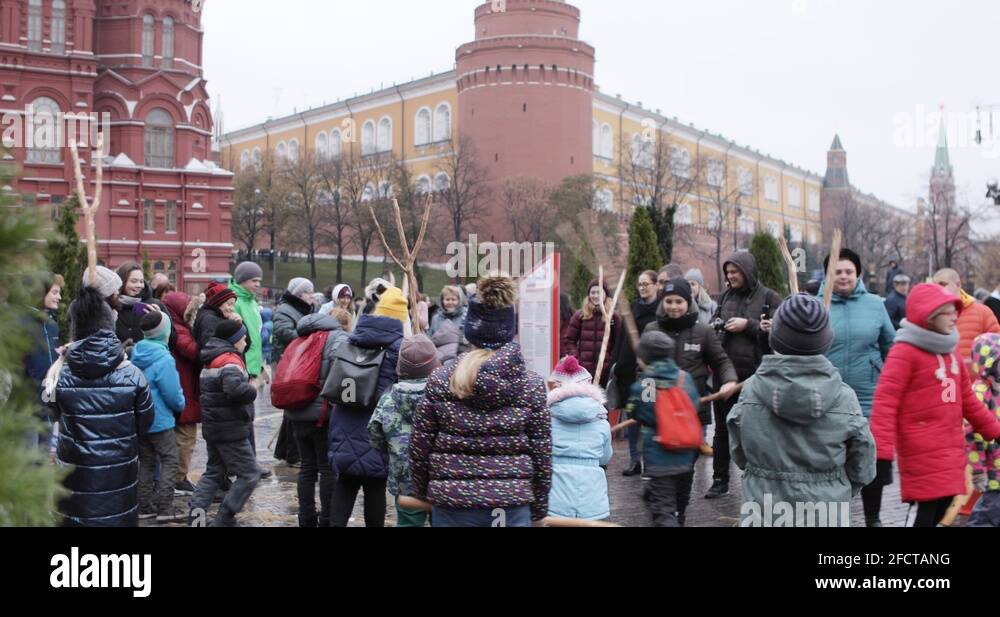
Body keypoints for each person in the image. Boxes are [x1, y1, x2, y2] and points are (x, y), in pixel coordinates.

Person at [410, 275, 552, 527]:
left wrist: (425, 493)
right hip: (511, 505)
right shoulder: (531, 385)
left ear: (471, 330)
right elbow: (541, 452)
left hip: (452, 505)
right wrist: (538, 507)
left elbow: (420, 446)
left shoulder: (441, 379)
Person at [728, 294, 876, 527]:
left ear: (775, 339)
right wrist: (840, 488)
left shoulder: (751, 391)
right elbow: (863, 461)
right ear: (825, 341)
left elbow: (739, 451)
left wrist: (761, 474)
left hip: (764, 513)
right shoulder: (844, 397)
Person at [871, 284, 1000, 527]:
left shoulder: (950, 353)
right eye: (948, 312)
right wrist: (882, 455)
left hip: (950, 449)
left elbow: (969, 402)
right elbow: (885, 403)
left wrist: (995, 431)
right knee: (924, 511)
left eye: (955, 311)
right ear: (928, 315)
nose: (955, 317)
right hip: (921, 450)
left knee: (943, 505)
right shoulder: (905, 352)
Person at [46, 275, 154, 526]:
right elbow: (145, 422)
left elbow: (50, 409)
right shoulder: (133, 375)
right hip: (119, 477)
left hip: (74, 476)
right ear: (108, 325)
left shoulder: (59, 372)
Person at [818, 248, 895, 527]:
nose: (843, 276)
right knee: (830, 462)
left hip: (868, 398)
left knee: (870, 459)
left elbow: (891, 347)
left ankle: (872, 517)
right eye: (837, 272)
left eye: (848, 271)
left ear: (858, 273)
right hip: (829, 398)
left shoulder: (875, 304)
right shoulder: (817, 305)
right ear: (828, 276)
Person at [327, 287, 408, 527]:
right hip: (377, 429)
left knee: (346, 482)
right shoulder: (399, 350)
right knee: (375, 486)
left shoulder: (354, 338)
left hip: (344, 420)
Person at [707, 252, 783, 498]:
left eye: (735, 271)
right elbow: (713, 322)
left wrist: (748, 326)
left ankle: (755, 480)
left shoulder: (770, 297)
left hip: (755, 377)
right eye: (727, 272)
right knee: (721, 430)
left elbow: (782, 334)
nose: (730, 276)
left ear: (747, 271)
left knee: (753, 430)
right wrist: (717, 327)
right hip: (724, 374)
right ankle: (719, 480)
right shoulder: (725, 296)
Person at [644, 278, 739, 460]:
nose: (674, 307)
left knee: (687, 468)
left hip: (692, 410)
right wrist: (647, 400)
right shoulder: (651, 330)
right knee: (662, 470)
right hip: (661, 412)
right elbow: (642, 370)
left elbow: (721, 361)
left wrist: (730, 381)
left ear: (688, 302)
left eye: (679, 301)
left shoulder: (703, 331)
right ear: (662, 302)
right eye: (669, 301)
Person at [281, 311, 350, 527]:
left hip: (296, 412)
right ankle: (327, 519)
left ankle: (306, 517)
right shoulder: (337, 338)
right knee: (326, 468)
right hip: (322, 415)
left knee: (307, 468)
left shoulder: (299, 338)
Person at [626, 331, 701, 527]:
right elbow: (694, 405)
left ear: (644, 356)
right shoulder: (683, 377)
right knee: (679, 501)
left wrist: (632, 407)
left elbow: (644, 413)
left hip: (660, 455)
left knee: (663, 511)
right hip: (687, 453)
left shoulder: (648, 382)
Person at [189, 320, 260, 527]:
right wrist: (252, 388)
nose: (245, 340)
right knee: (250, 474)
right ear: (234, 340)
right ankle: (224, 519)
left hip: (215, 427)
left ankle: (196, 521)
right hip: (230, 429)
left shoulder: (212, 358)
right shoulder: (230, 361)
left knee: (214, 473)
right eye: (243, 337)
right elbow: (235, 390)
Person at [368, 335, 441, 528]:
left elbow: (375, 438)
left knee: (408, 523)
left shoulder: (387, 400)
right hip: (440, 480)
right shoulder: (445, 398)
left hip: (404, 481)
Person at [131, 311, 186, 523]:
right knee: (170, 460)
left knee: (145, 461)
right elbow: (172, 394)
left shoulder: (136, 352)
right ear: (165, 331)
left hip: (141, 419)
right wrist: (181, 404)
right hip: (161, 420)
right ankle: (165, 507)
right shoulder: (164, 358)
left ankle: (145, 506)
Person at [546, 356, 612, 521]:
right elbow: (605, 457)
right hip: (592, 495)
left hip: (556, 495)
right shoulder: (601, 421)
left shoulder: (547, 420)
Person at [612, 270, 661, 475]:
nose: (642, 288)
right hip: (631, 372)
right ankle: (634, 459)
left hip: (649, 373)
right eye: (639, 284)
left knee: (648, 416)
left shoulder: (661, 310)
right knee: (632, 414)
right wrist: (617, 363)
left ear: (656, 285)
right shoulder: (632, 308)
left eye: (646, 284)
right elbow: (623, 338)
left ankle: (650, 461)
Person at [272, 277, 316, 467]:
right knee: (293, 409)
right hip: (288, 364)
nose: (312, 296)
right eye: (308, 292)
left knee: (292, 411)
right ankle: (292, 454)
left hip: (298, 363)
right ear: (298, 294)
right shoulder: (284, 311)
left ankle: (285, 451)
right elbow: (285, 333)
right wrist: (311, 337)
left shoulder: (303, 309)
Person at [161, 291, 202, 495]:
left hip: (184, 387)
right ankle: (178, 478)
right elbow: (195, 351)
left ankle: (179, 476)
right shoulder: (178, 329)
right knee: (185, 437)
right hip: (184, 388)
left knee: (183, 436)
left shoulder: (175, 327)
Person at [24, 273, 62, 450]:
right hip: (27, 407)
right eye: (54, 292)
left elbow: (50, 364)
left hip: (47, 402)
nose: (59, 297)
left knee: (43, 455)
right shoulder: (24, 323)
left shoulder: (51, 324)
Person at [932, 268, 1000, 370]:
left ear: (958, 284)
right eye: (935, 286)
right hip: (945, 381)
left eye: (943, 284)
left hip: (977, 382)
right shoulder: (932, 316)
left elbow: (997, 348)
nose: (939, 289)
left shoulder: (983, 313)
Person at [967, 333, 1000, 527]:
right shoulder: (980, 392)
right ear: (988, 364)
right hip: (993, 468)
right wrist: (978, 470)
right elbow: (972, 435)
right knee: (988, 513)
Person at [562, 278, 621, 387]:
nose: (595, 295)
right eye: (592, 292)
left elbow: (618, 342)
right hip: (583, 372)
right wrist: (576, 359)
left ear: (605, 294)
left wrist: (611, 361)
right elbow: (569, 340)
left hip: (605, 371)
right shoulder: (580, 315)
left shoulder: (613, 317)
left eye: (599, 292)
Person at [114, 262, 165, 353]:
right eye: (134, 281)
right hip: (118, 363)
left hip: (148, 362)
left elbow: (172, 339)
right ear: (122, 282)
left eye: (141, 281)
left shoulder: (155, 304)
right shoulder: (112, 306)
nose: (139, 285)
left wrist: (160, 320)